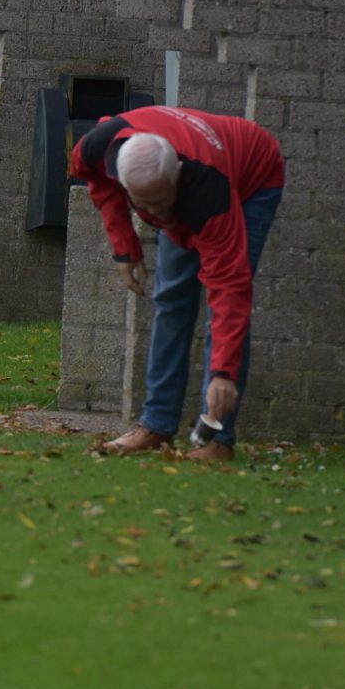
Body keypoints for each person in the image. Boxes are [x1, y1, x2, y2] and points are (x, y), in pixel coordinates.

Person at [69, 106, 288, 463]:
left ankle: (217, 439)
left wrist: (223, 374)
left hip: (253, 175)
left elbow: (229, 290)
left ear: (178, 176)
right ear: (122, 178)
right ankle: (156, 425)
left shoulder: (209, 193)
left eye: (161, 201)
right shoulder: (98, 147)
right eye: (144, 204)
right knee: (171, 300)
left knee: (223, 313)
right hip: (192, 168)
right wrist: (125, 247)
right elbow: (98, 184)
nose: (156, 212)